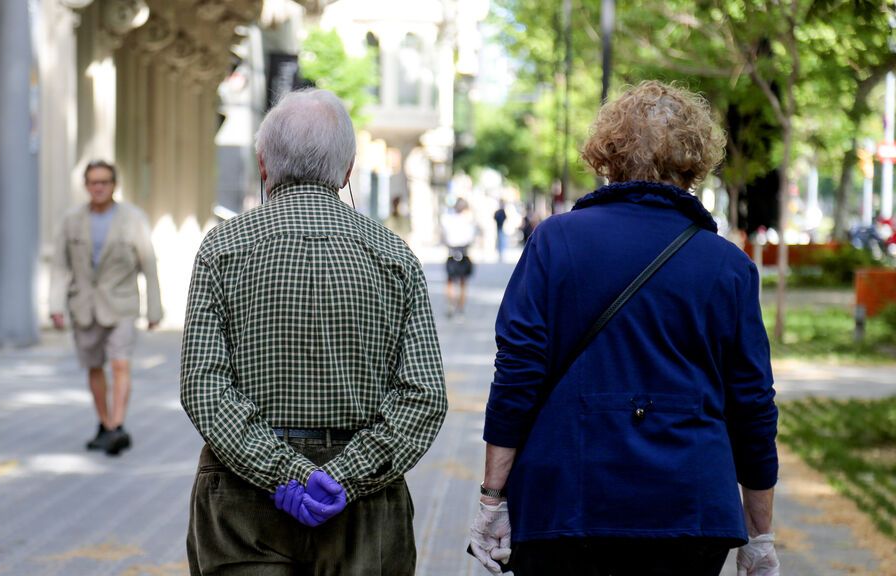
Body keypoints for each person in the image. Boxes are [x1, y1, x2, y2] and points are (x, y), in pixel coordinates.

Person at [469, 81, 779, 576]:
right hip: (689, 510)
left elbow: (517, 373)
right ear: (694, 162)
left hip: (568, 506)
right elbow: (753, 405)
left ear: (607, 155)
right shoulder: (727, 266)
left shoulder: (555, 242)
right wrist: (760, 533)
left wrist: (492, 500)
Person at [180, 88, 447, 575]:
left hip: (243, 501)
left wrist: (286, 472)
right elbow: (423, 396)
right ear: (348, 170)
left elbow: (204, 385)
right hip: (365, 512)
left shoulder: (221, 249)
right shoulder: (394, 256)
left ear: (264, 165)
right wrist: (341, 476)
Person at [48, 160, 162, 456]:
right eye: (93, 182)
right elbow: (60, 265)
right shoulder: (71, 220)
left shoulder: (132, 219)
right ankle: (104, 423)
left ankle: (116, 425)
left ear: (114, 185)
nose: (99, 187)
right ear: (86, 186)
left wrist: (154, 310)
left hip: (122, 304)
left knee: (120, 362)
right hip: (84, 305)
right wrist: (55, 304)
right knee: (94, 366)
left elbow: (148, 265)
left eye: (104, 182)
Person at [441, 197, 477, 319]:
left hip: (452, 252)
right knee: (463, 282)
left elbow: (444, 237)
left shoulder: (448, 220)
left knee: (450, 281)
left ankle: (451, 305)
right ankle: (460, 308)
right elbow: (471, 238)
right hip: (464, 251)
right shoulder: (468, 222)